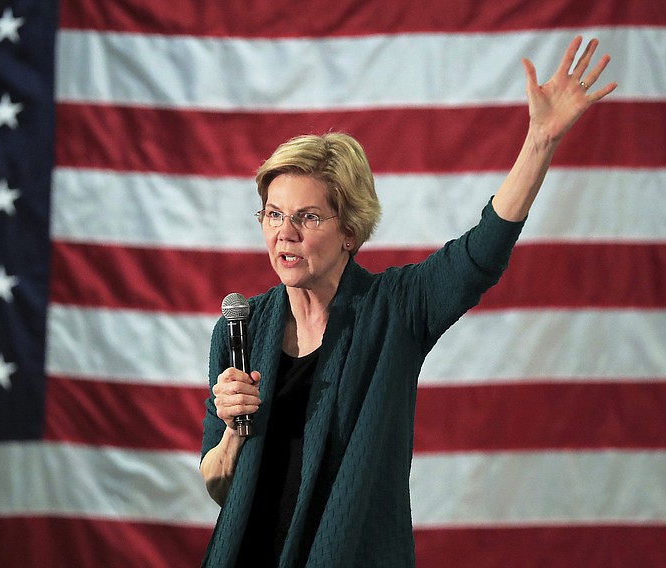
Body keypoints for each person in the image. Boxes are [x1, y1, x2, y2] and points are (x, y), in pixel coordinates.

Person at [199, 36, 616, 567]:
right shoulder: (241, 329)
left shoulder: (394, 309)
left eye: (308, 217)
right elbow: (218, 488)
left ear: (350, 231)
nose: (285, 233)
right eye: (273, 214)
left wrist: (539, 140)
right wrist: (234, 435)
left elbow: (478, 255)